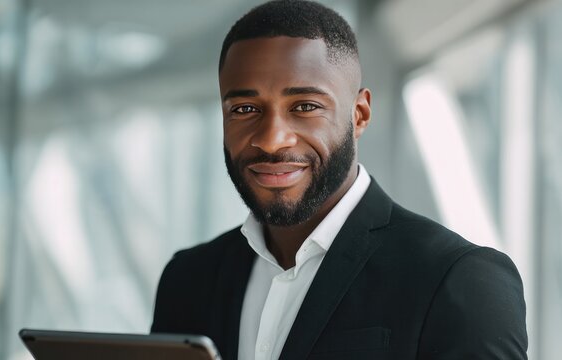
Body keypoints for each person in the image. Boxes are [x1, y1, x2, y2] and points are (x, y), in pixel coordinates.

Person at [151, 1, 528, 359]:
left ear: (359, 115)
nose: (271, 139)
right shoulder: (187, 280)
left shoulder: (459, 279)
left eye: (304, 107)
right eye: (245, 109)